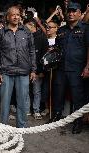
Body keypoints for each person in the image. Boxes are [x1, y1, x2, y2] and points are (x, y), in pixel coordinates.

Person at [0, 6, 36, 128]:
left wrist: (33, 69)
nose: (16, 17)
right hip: (6, 71)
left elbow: (32, 51)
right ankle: (3, 126)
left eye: (18, 14)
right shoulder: (1, 33)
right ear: (7, 17)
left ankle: (21, 126)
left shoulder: (26, 31)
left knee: (22, 100)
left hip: (23, 71)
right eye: (13, 15)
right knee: (5, 101)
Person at [51, 2, 89, 134]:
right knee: (58, 93)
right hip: (61, 68)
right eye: (69, 11)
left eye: (74, 11)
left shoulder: (85, 28)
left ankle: (78, 122)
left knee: (77, 96)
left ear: (80, 13)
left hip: (77, 69)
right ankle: (56, 116)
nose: (71, 13)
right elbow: (56, 49)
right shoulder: (61, 30)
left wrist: (87, 67)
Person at [24, 18, 49, 120]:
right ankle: (26, 110)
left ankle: (36, 110)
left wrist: (42, 71)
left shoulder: (42, 38)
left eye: (26, 26)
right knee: (25, 91)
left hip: (38, 70)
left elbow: (45, 56)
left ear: (32, 25)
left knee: (36, 91)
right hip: (25, 70)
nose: (24, 29)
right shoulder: (24, 37)